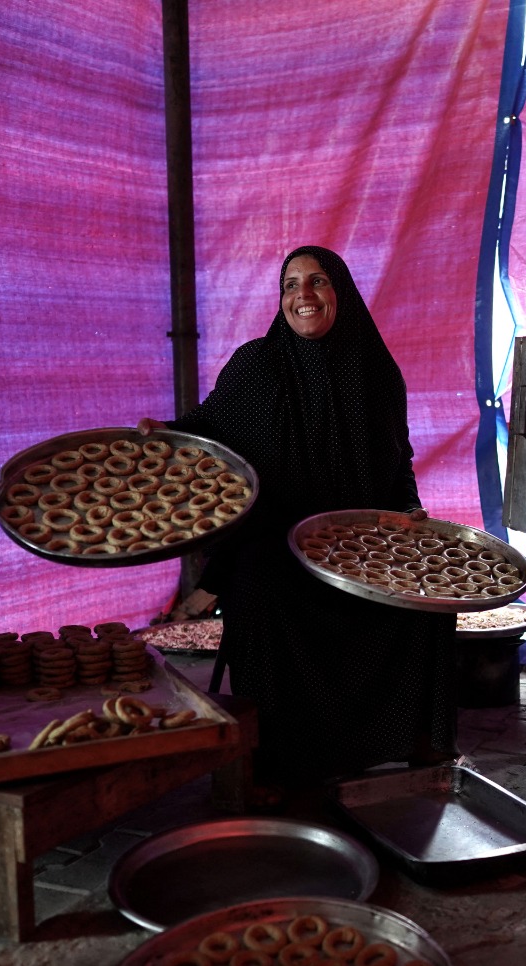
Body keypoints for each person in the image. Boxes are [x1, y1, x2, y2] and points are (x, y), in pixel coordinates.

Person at [140, 246, 457, 787]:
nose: (302, 296)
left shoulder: (376, 372)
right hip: (276, 537)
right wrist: (160, 433)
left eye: (317, 282)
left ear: (342, 293)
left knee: (425, 602)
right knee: (262, 583)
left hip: (359, 542)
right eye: (290, 285)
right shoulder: (256, 367)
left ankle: (404, 741)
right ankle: (279, 757)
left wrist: (408, 510)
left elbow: (396, 458)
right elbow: (205, 435)